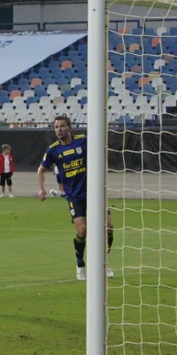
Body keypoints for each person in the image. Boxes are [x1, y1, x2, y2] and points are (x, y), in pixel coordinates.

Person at [38, 115, 114, 281]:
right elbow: (40, 170)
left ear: (69, 128)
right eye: (56, 126)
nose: (59, 129)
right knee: (82, 230)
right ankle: (80, 265)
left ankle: (104, 263)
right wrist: (41, 189)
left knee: (108, 227)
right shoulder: (53, 150)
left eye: (62, 126)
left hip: (95, 192)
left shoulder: (83, 141)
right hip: (75, 196)